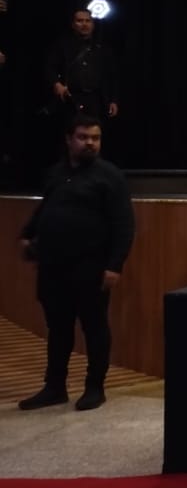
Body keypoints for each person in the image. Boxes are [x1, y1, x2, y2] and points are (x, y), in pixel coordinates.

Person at [17, 112, 135, 412]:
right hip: (53, 266)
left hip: (91, 267)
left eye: (95, 138)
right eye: (83, 137)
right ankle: (55, 387)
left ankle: (95, 387)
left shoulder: (110, 176)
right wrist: (28, 234)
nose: (90, 143)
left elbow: (123, 224)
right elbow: (46, 209)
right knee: (58, 329)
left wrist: (115, 265)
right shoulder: (55, 173)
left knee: (94, 328)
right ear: (69, 139)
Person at [45, 8, 120, 130]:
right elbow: (50, 68)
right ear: (73, 24)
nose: (84, 24)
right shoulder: (62, 45)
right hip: (69, 100)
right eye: (80, 21)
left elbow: (112, 76)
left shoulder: (103, 48)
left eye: (88, 21)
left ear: (93, 24)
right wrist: (56, 84)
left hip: (96, 101)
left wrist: (113, 100)